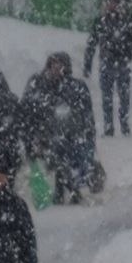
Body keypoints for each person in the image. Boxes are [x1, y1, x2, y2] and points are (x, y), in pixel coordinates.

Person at [21, 52, 97, 204]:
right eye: (53, 65)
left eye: (59, 65)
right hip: (45, 136)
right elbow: (28, 112)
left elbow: (84, 116)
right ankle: (66, 189)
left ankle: (70, 188)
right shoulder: (39, 84)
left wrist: (84, 133)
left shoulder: (74, 87)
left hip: (68, 135)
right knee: (55, 153)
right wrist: (35, 135)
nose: (55, 69)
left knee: (64, 152)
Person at [83, 0, 132, 137]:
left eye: (115, 2)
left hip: (122, 62)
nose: (112, 5)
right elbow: (92, 43)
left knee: (123, 96)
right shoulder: (101, 21)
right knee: (107, 97)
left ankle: (124, 126)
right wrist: (87, 64)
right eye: (110, 1)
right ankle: (109, 126)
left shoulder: (128, 21)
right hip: (107, 62)